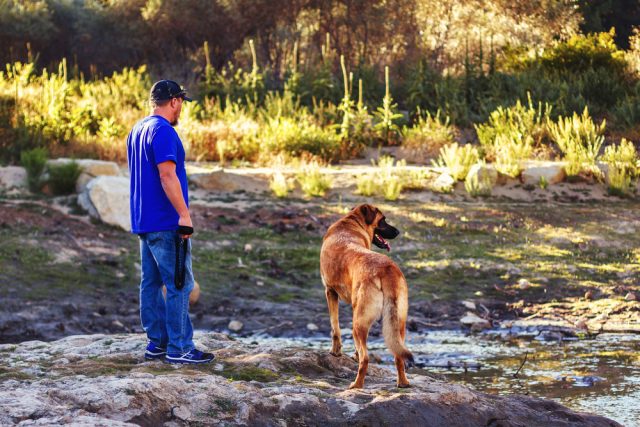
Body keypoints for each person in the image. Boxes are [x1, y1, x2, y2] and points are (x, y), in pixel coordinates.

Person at [127, 79, 214, 364]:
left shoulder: (137, 130)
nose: (181, 110)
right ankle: (180, 348)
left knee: (150, 283)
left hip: (144, 220)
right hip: (166, 222)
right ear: (174, 101)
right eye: (181, 103)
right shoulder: (164, 132)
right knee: (179, 284)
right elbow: (167, 176)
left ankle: (157, 344)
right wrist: (184, 215)